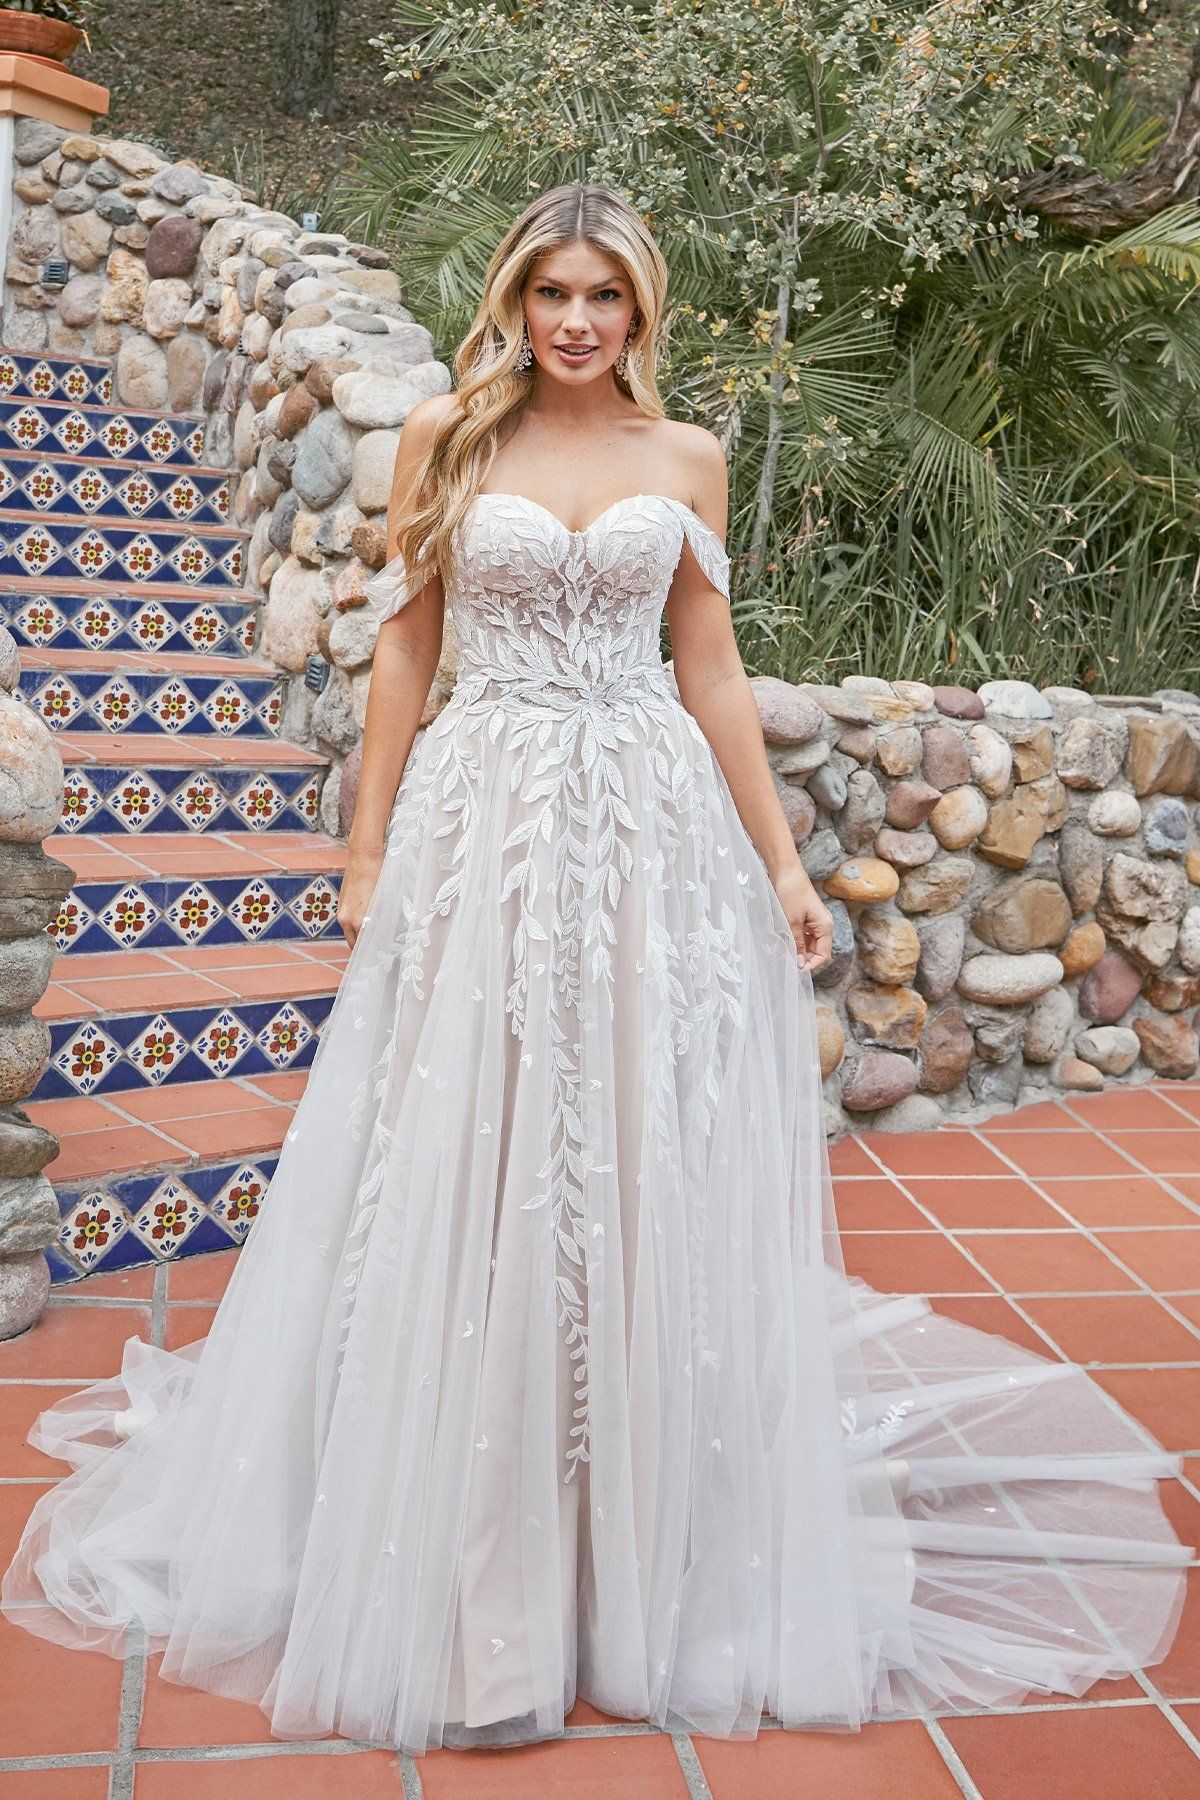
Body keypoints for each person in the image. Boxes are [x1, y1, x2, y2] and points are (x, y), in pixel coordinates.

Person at [1, 182, 1192, 1755]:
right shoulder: (447, 439)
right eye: (553, 292)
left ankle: (639, 1562)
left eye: (605, 299)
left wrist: (780, 868)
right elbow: (408, 649)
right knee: (467, 1143)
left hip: (646, 833)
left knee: (630, 1143)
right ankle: (462, 1546)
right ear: (516, 295)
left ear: (642, 313)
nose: (576, 321)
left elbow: (708, 666)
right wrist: (359, 858)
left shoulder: (683, 460)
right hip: (478, 821)